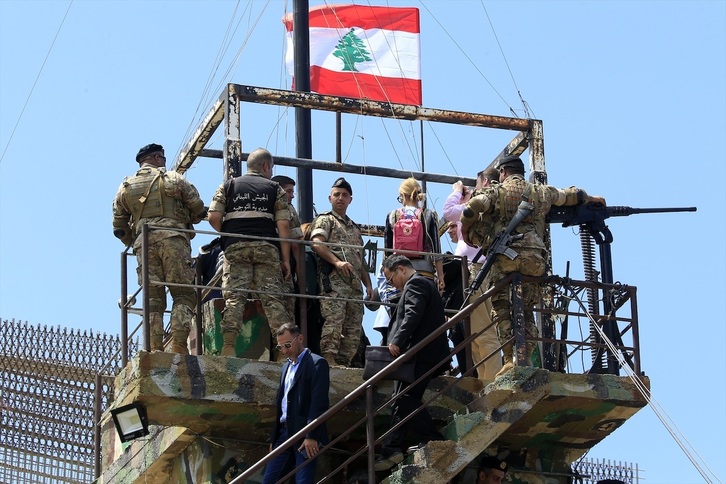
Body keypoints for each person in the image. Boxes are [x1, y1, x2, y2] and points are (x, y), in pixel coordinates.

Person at [460, 155, 606, 377]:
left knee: (503, 310)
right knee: (527, 310)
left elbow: (473, 208)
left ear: (503, 172)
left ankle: (511, 360)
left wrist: (465, 230)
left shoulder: (496, 191)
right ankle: (524, 357)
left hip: (506, 260)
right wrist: (591, 197)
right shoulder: (540, 191)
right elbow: (571, 195)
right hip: (535, 260)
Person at [112, 143, 206, 354]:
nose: (164, 162)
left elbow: (118, 227)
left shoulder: (125, 187)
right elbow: (198, 208)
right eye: (162, 158)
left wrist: (135, 242)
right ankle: (180, 346)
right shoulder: (172, 179)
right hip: (174, 241)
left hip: (143, 246)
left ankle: (154, 347)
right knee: (183, 294)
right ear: (156, 158)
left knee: (153, 300)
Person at [207, 148, 293, 358]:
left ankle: (228, 347)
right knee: (273, 300)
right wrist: (285, 259)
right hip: (266, 249)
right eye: (270, 168)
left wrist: (229, 234)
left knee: (235, 298)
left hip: (236, 249)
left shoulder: (229, 186)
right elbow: (283, 225)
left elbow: (213, 216)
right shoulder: (275, 189)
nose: (271, 173)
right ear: (265, 166)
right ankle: (284, 351)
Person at [374, 255, 450, 471]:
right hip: (419, 355)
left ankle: (433, 438)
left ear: (401, 270)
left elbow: (413, 313)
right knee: (401, 399)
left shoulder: (415, 283)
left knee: (404, 398)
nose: (391, 284)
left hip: (420, 355)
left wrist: (397, 340)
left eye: (390, 279)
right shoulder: (421, 284)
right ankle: (392, 448)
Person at [443, 167, 502, 382]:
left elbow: (449, 212)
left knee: (484, 333)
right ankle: (484, 381)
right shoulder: (491, 202)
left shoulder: (485, 200)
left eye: (477, 185)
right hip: (474, 273)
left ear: (485, 182)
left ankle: (492, 382)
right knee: (476, 336)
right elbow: (461, 225)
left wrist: (457, 192)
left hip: (479, 273)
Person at [309, 177, 373, 366]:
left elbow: (360, 261)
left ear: (350, 200)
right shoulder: (325, 220)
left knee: (353, 327)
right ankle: (328, 359)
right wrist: (337, 262)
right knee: (334, 322)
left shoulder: (354, 229)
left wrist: (368, 284)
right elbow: (317, 243)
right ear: (330, 198)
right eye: (337, 195)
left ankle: (344, 362)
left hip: (354, 287)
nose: (340, 198)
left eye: (345, 195)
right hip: (334, 283)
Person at [263, 323, 330, 484]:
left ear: (299, 338)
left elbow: (319, 402)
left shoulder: (317, 363)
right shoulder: (285, 368)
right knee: (269, 480)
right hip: (283, 435)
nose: (285, 350)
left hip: (304, 434)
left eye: (287, 345)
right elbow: (281, 406)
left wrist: (311, 435)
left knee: (303, 481)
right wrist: (274, 438)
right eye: (280, 347)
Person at [384, 177, 445, 292]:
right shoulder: (428, 215)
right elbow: (437, 250)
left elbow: (387, 252)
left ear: (402, 195)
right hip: (424, 273)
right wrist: (441, 277)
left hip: (399, 275)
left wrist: (387, 279)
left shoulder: (392, 216)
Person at [271, 175, 304, 322]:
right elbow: (296, 244)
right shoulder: (289, 209)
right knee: (286, 314)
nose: (291, 195)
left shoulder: (263, 203)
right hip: (284, 268)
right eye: (288, 191)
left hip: (261, 263)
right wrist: (300, 276)